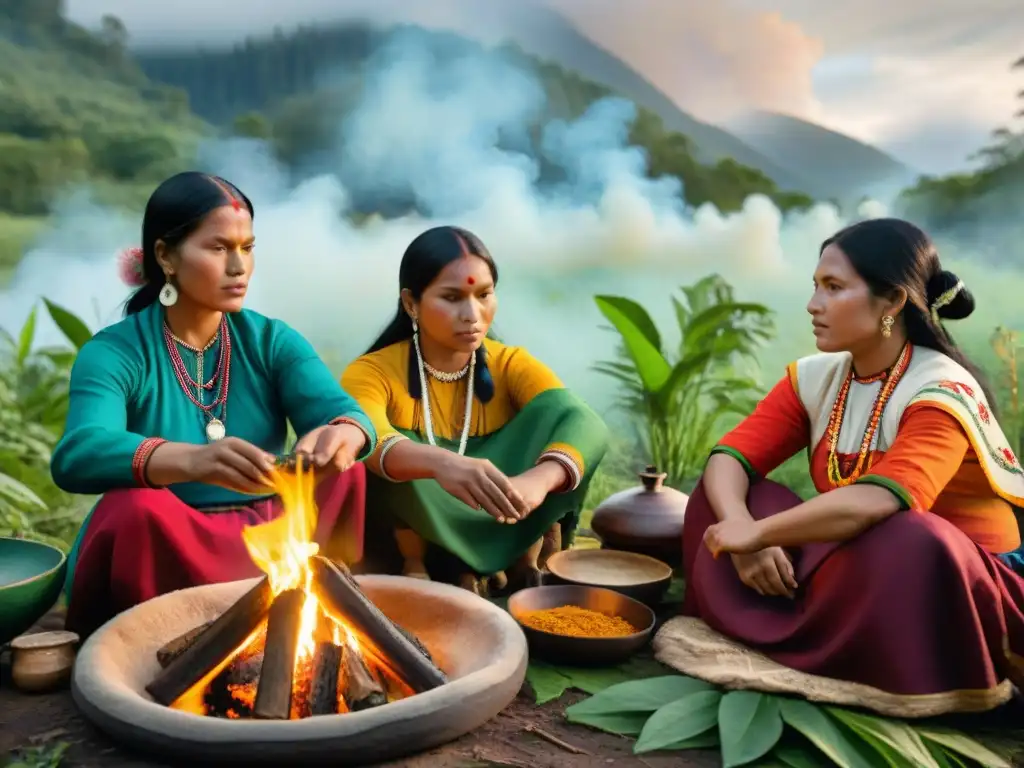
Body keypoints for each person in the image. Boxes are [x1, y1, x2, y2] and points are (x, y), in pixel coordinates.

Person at [681, 217, 1024, 715]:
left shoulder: (942, 391)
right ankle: (821, 635)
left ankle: (917, 665)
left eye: (834, 287)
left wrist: (758, 537)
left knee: (910, 535)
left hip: (954, 581)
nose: (813, 304)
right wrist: (740, 523)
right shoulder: (819, 378)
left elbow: (879, 501)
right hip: (862, 555)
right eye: (815, 286)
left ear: (892, 303)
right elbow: (729, 457)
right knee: (728, 497)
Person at [52, 172, 376, 638]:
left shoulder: (270, 340)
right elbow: (79, 453)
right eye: (219, 248)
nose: (239, 266)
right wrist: (194, 461)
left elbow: (346, 414)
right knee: (133, 510)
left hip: (274, 537)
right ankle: (152, 643)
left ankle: (318, 608)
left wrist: (343, 434)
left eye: (248, 247)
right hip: (174, 542)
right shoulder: (116, 352)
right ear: (165, 256)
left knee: (349, 470)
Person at [341, 225, 608, 594]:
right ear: (410, 303)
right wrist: (443, 464)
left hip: (505, 506)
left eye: (484, 295)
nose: (473, 314)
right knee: (374, 452)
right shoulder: (372, 371)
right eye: (452, 297)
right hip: (422, 512)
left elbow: (584, 422)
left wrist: (538, 480)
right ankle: (431, 566)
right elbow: (367, 435)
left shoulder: (510, 363)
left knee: (555, 413)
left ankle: (516, 562)